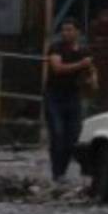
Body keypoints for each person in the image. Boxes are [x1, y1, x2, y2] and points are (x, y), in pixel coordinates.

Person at [45, 18, 94, 183]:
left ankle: (62, 172)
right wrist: (80, 65)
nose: (66, 33)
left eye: (70, 30)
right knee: (57, 134)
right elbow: (57, 68)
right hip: (54, 95)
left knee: (72, 136)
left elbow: (91, 71)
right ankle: (56, 172)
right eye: (64, 30)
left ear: (78, 32)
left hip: (73, 95)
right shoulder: (56, 47)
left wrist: (91, 80)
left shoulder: (84, 50)